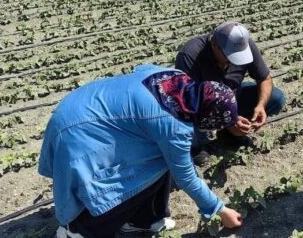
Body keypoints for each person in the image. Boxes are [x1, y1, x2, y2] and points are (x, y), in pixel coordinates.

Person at [39, 64, 244, 238]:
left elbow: (141, 69)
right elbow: (186, 177)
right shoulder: (173, 127)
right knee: (120, 180)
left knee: (157, 158)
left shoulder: (176, 77)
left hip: (80, 104)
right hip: (78, 132)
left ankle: (143, 219)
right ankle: (78, 230)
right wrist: (220, 209)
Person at [175, 21, 286, 158]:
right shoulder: (191, 54)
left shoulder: (246, 45)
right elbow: (187, 100)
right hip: (201, 105)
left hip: (232, 97)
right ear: (214, 44)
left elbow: (265, 79)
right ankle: (199, 144)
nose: (234, 62)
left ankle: (228, 133)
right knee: (185, 116)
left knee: (276, 98)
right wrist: (227, 119)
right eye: (229, 56)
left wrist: (261, 105)